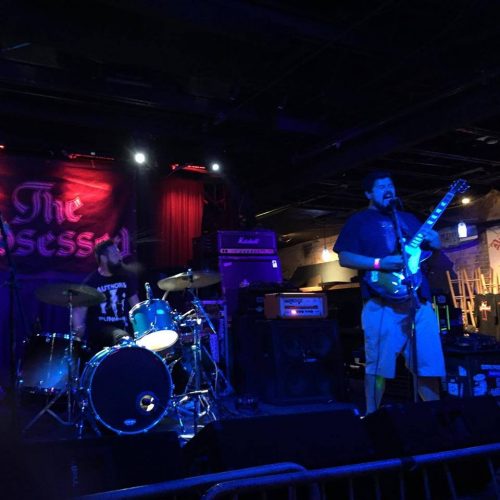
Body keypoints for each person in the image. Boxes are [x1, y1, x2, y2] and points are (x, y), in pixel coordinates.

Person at [333, 170, 445, 414]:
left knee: (428, 365)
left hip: (418, 301)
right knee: (378, 367)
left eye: (390, 185)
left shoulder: (409, 219)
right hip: (381, 303)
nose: (388, 189)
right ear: (368, 194)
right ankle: (372, 417)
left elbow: (430, 260)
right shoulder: (359, 220)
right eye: (381, 186)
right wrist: (379, 263)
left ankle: (436, 418)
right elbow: (344, 257)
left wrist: (437, 245)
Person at [73, 239, 139, 354]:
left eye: (119, 253)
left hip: (124, 329)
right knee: (122, 337)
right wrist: (78, 329)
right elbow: (79, 310)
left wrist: (143, 327)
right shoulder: (91, 282)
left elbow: (136, 306)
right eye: (115, 254)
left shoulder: (125, 277)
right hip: (101, 332)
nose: (119, 257)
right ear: (103, 258)